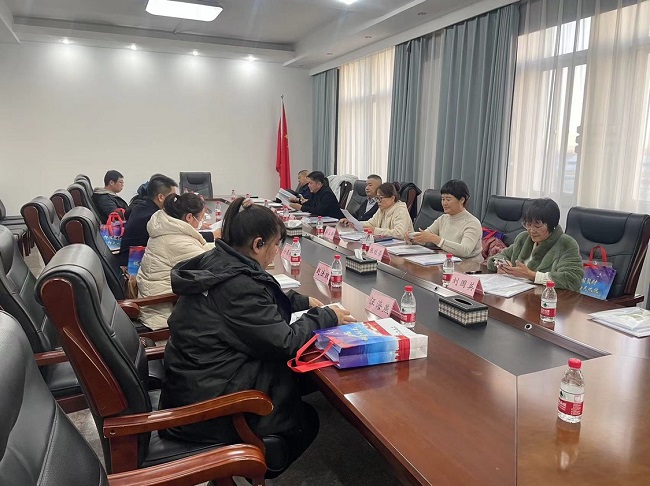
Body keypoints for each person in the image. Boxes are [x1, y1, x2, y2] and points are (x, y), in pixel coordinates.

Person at [159, 197, 353, 477]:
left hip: (196, 380)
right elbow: (285, 342)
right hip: (208, 407)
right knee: (306, 418)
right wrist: (327, 316)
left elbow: (254, 305)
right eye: (275, 245)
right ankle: (251, 465)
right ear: (258, 244)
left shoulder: (218, 259)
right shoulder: (237, 285)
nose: (277, 252)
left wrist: (299, 302)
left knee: (301, 378)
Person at [136, 192, 213, 330]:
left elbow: (200, 250)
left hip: (164, 300)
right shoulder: (175, 242)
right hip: (164, 312)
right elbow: (211, 264)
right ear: (189, 217)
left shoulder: (167, 229)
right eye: (201, 217)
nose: (201, 222)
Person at [487, 198, 583, 291]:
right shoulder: (524, 238)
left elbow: (573, 279)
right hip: (516, 293)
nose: (532, 230)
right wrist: (501, 265)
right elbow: (498, 257)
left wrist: (531, 275)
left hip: (548, 297)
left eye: (537, 226)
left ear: (552, 225)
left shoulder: (566, 244)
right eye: (528, 225)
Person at [409, 179, 483, 262]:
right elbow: (426, 236)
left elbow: (465, 251)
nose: (444, 203)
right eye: (443, 199)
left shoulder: (472, 223)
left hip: (469, 265)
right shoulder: (443, 219)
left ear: (462, 200)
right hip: (445, 262)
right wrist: (413, 238)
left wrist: (435, 239)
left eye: (448, 199)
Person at [118, 174, 178, 266]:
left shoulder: (142, 207)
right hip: (133, 266)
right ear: (161, 197)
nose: (174, 201)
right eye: (173, 198)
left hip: (128, 259)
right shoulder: (152, 217)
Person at [343, 183, 412, 237]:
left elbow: (399, 233)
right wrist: (354, 223)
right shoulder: (383, 208)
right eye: (377, 198)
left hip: (402, 246)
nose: (378, 201)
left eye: (380, 198)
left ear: (392, 198)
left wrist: (375, 230)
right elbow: (370, 223)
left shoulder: (400, 210)